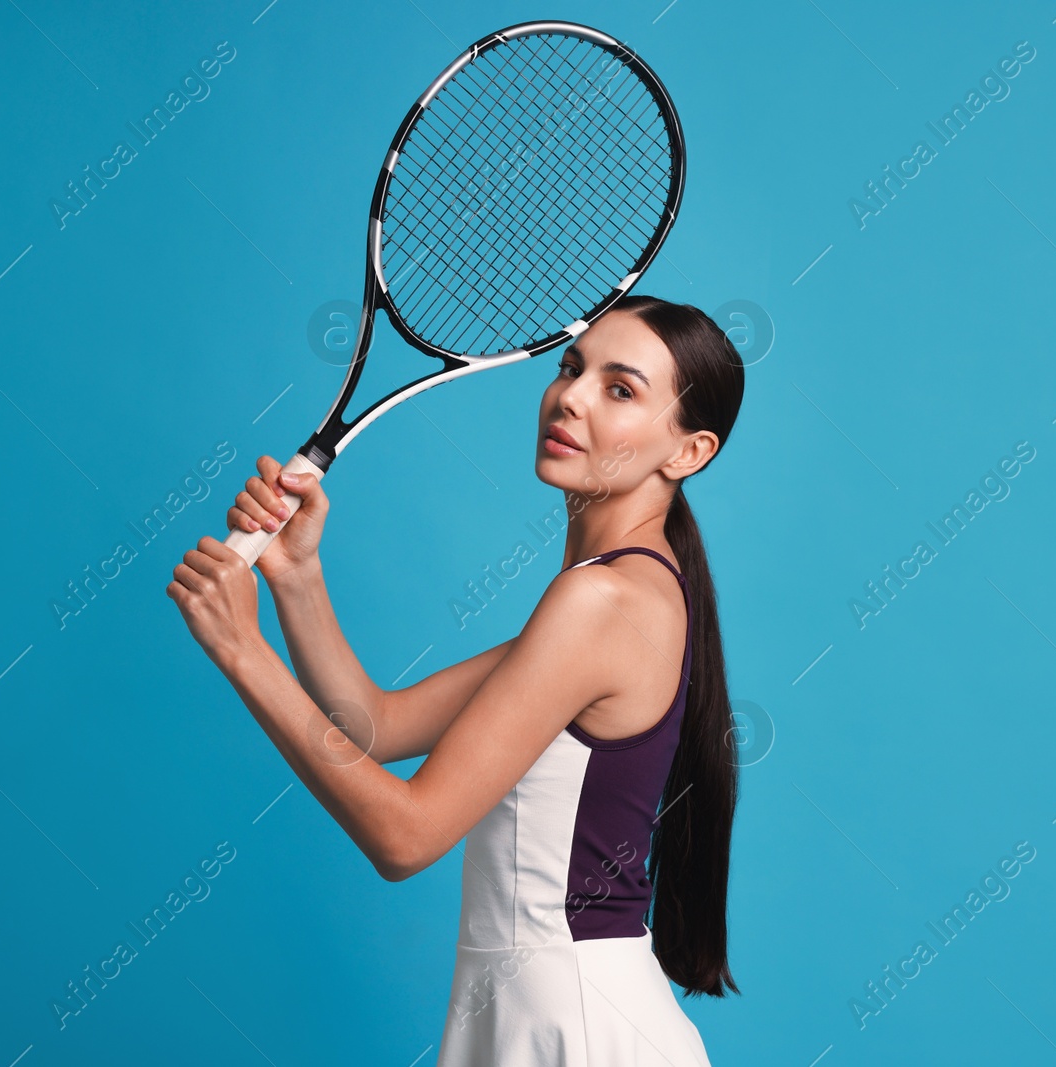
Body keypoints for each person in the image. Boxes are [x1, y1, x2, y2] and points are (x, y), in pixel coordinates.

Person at [167, 296, 745, 1064]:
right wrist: (298, 577)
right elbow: (377, 724)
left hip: (574, 1025)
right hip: (542, 1007)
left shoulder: (604, 599)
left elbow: (406, 836)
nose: (569, 394)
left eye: (620, 387)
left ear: (688, 452)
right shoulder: (621, 590)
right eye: (572, 367)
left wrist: (246, 651)